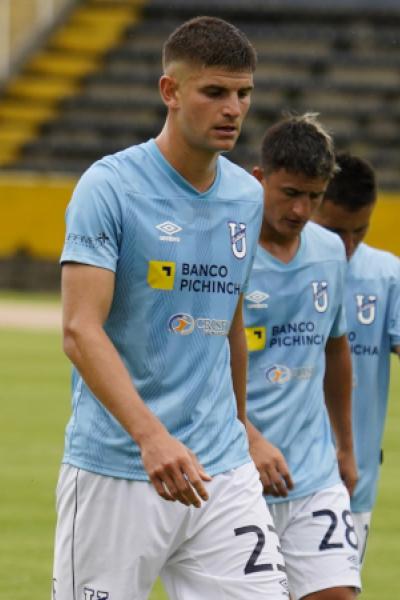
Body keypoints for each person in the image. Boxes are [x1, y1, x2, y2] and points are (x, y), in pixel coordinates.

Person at [52, 16, 289, 600]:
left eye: (243, 93)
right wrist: (150, 437)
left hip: (221, 470)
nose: (233, 108)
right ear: (171, 91)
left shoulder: (245, 195)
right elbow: (81, 330)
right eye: (215, 92)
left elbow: (229, 321)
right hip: (118, 470)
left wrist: (242, 429)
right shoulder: (109, 188)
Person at [244, 114, 361, 600]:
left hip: (312, 473)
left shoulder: (330, 250)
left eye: (313, 197)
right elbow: (198, 362)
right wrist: (248, 437)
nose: (300, 209)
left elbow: (336, 348)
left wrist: (346, 446)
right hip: (235, 474)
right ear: (259, 178)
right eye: (290, 192)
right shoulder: (226, 252)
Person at [312, 151, 400, 564]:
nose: (346, 246)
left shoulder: (387, 275)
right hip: (269, 479)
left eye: (359, 232)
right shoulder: (268, 266)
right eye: (333, 231)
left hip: (351, 488)